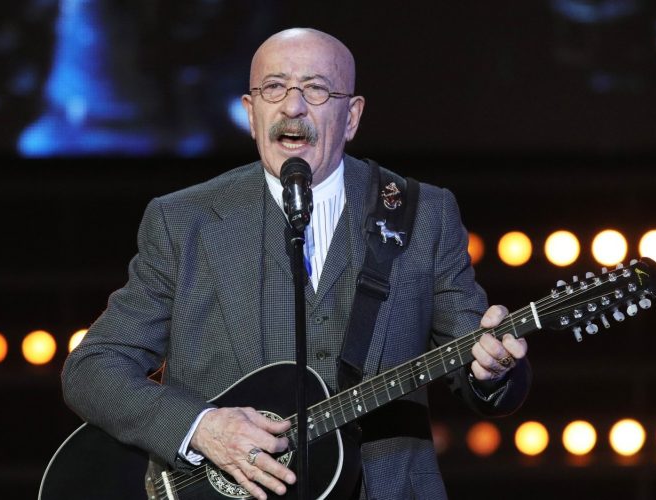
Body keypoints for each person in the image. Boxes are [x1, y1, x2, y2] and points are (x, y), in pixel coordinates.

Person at [61, 27, 531, 500]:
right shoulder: (184, 222)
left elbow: (481, 368)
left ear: (351, 117)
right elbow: (93, 368)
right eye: (274, 87)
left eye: (316, 89)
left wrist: (493, 370)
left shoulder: (423, 214)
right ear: (251, 113)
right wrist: (200, 427)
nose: (293, 106)